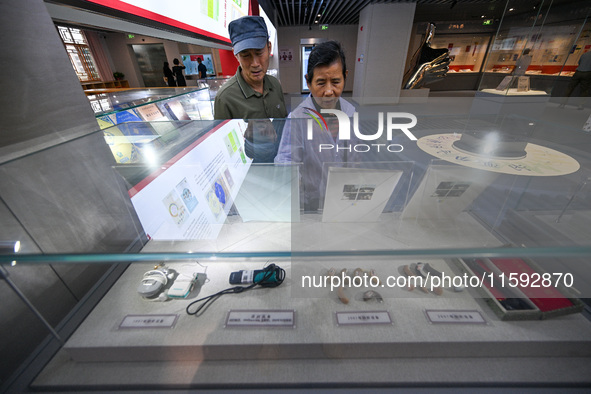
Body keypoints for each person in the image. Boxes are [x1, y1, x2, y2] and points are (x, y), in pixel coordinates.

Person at [275, 40, 356, 211]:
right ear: (308, 81)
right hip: (310, 202)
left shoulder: (350, 112)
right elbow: (286, 160)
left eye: (336, 82)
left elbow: (355, 157)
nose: (328, 91)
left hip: (341, 198)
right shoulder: (297, 118)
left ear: (345, 76)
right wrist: (291, 178)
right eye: (320, 83)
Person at [214, 15, 287, 120]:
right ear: (236, 55)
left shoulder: (275, 84)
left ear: (269, 48)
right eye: (245, 55)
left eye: (259, 52)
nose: (255, 63)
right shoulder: (225, 98)